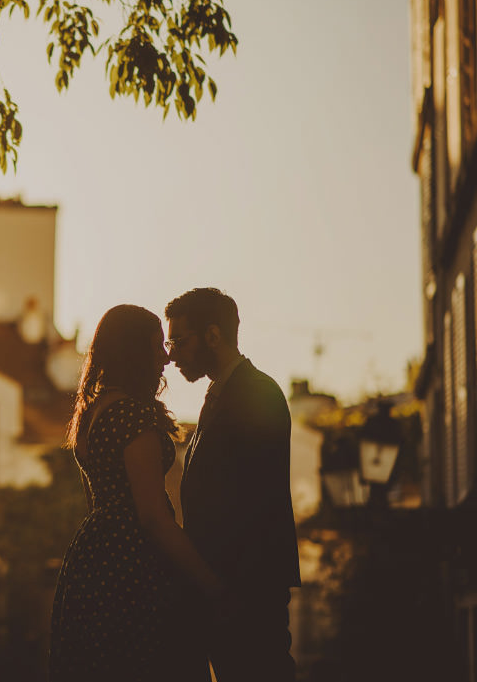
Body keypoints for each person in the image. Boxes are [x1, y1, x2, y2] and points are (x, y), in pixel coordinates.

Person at [49, 304, 221, 682]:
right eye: (156, 345)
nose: (165, 356)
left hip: (95, 559)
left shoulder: (92, 412)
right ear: (135, 351)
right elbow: (153, 518)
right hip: (134, 563)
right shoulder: (132, 417)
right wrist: (211, 584)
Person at [165, 288, 301, 682]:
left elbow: (258, 503)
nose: (172, 354)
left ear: (213, 335)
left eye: (180, 340)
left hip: (247, 591)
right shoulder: (224, 392)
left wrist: (228, 592)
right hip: (228, 589)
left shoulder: (258, 393)